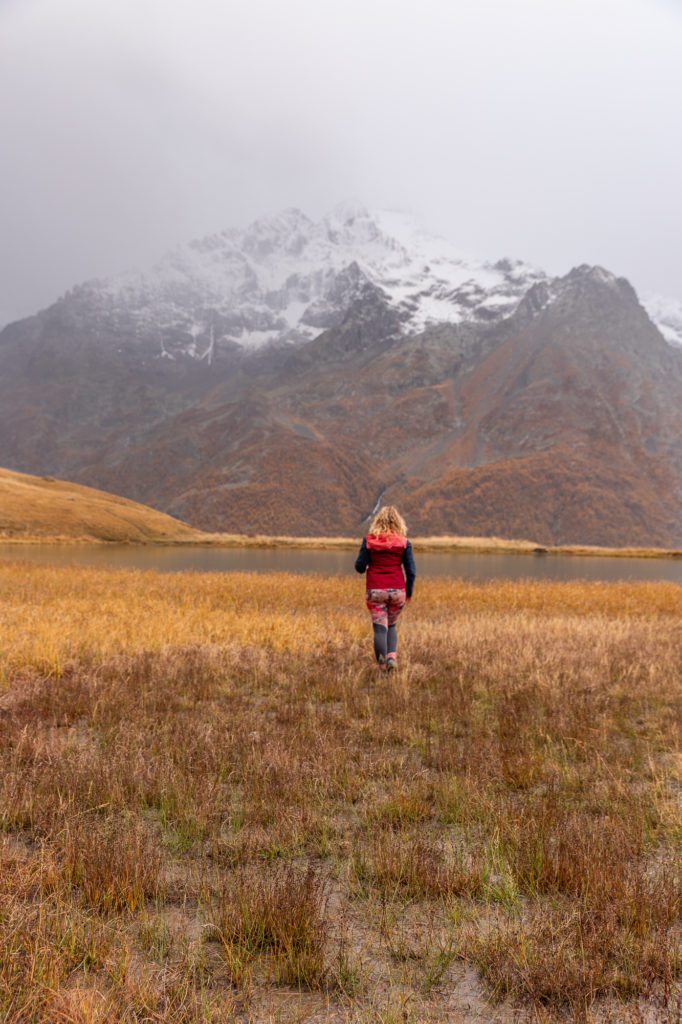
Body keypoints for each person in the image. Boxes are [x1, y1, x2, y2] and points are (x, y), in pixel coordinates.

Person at [355, 505, 416, 672]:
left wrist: (369, 565)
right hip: (398, 591)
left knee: (379, 629)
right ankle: (391, 657)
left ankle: (382, 668)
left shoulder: (369, 541)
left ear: (377, 522)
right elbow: (411, 571)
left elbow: (359, 567)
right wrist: (408, 592)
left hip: (375, 590)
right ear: (399, 523)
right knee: (392, 625)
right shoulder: (404, 543)